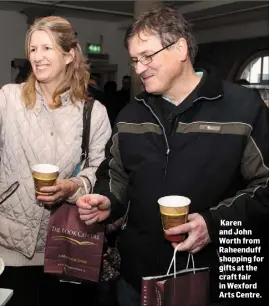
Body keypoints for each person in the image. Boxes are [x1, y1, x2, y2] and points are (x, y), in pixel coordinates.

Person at [76, 5, 269, 306]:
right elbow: (114, 174)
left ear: (180, 48)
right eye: (135, 60)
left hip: (212, 282)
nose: (138, 69)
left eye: (147, 57)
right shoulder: (130, 115)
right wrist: (108, 201)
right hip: (136, 281)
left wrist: (213, 223)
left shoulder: (243, 109)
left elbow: (264, 186)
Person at [0, 16, 111, 306]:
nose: (37, 57)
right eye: (33, 49)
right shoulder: (8, 100)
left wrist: (73, 186)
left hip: (67, 248)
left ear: (69, 54)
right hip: (7, 248)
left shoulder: (93, 112)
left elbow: (103, 170)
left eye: (46, 48)